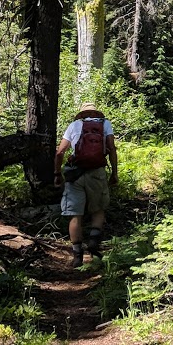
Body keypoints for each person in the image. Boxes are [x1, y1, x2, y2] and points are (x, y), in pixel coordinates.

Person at [54, 104, 119, 268]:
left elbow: (60, 152)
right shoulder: (105, 124)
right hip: (97, 172)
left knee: (75, 215)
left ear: (81, 114)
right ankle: (93, 241)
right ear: (96, 112)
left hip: (75, 174)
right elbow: (111, 148)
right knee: (98, 210)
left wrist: (57, 174)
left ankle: (77, 256)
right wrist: (114, 173)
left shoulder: (74, 125)